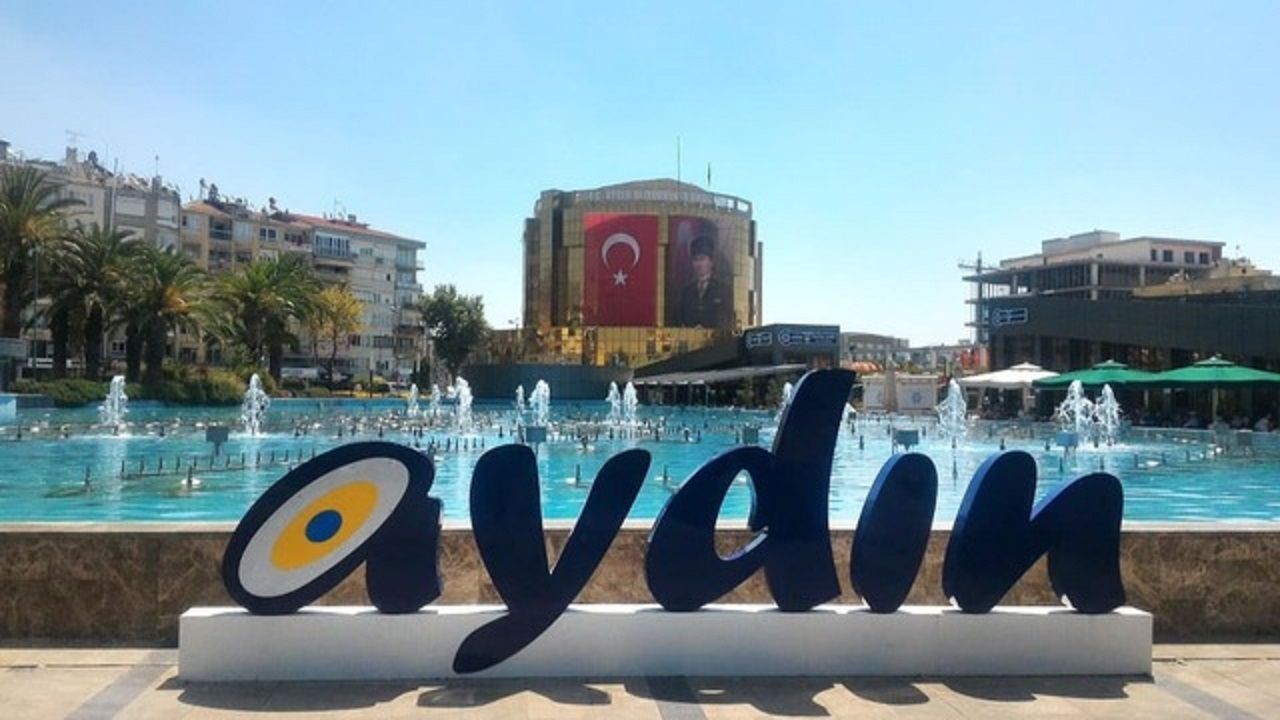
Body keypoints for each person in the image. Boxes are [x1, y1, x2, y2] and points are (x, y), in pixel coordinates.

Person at [677, 223, 731, 328]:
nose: (699, 264)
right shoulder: (686, 291)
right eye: (696, 260)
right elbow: (681, 318)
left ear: (711, 262)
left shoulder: (723, 289)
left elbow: (726, 319)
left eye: (702, 259)